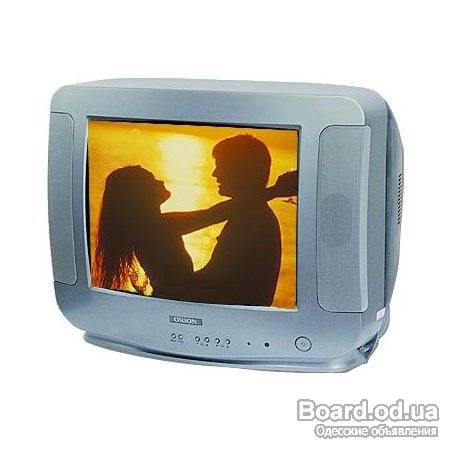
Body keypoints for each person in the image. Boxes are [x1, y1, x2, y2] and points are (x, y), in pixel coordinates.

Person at [94, 143, 297, 304]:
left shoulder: (158, 225)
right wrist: (275, 191)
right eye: (152, 180)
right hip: (173, 301)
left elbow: (217, 213)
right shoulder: (156, 228)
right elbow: (214, 214)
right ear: (140, 196)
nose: (161, 181)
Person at [190, 134, 283, 306]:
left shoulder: (253, 222)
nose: (214, 173)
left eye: (220, 165)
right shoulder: (250, 215)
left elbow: (219, 286)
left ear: (241, 170)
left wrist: (170, 288)